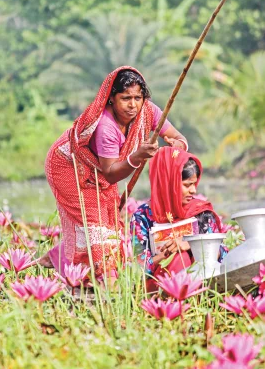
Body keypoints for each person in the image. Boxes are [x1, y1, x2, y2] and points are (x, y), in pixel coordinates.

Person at [39, 66, 188, 287]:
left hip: (100, 169)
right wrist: (136, 157)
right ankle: (106, 284)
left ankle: (58, 257)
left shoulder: (148, 111)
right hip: (68, 167)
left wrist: (178, 144)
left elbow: (177, 137)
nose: (133, 105)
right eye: (125, 98)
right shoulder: (105, 128)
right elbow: (110, 175)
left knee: (109, 221)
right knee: (96, 223)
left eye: (138, 97)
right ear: (111, 99)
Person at [130, 146, 227, 292]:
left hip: (206, 286)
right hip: (160, 289)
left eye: (194, 184)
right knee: (178, 258)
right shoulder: (142, 217)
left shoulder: (202, 213)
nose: (193, 190)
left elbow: (224, 256)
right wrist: (166, 255)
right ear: (168, 182)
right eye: (187, 185)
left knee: (186, 256)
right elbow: (138, 267)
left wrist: (192, 245)